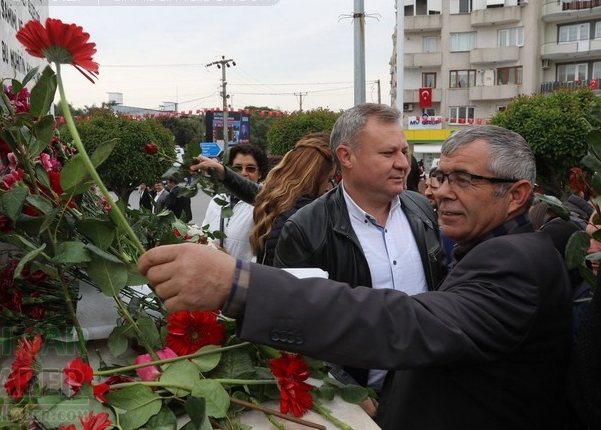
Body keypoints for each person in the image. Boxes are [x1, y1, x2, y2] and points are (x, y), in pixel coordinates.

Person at [138, 125, 572, 430]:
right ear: (345, 158)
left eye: (463, 179)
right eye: (441, 176)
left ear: (516, 195)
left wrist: (240, 285)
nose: (438, 191)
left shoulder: (518, 262)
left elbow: (405, 321)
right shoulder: (308, 223)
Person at [273, 103, 447, 403]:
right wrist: (346, 391)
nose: (403, 163)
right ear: (346, 157)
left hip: (431, 389)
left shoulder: (421, 210)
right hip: (364, 401)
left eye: (403, 152)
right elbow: (294, 326)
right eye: (388, 153)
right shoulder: (305, 229)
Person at [250, 132, 335, 265]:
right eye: (329, 179)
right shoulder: (303, 217)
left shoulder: (275, 201)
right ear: (315, 178)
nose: (329, 188)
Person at [201, 144, 268, 261]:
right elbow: (203, 234)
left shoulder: (265, 204)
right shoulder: (217, 201)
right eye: (237, 168)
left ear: (260, 173)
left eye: (250, 169)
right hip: (214, 273)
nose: (243, 173)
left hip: (246, 276)